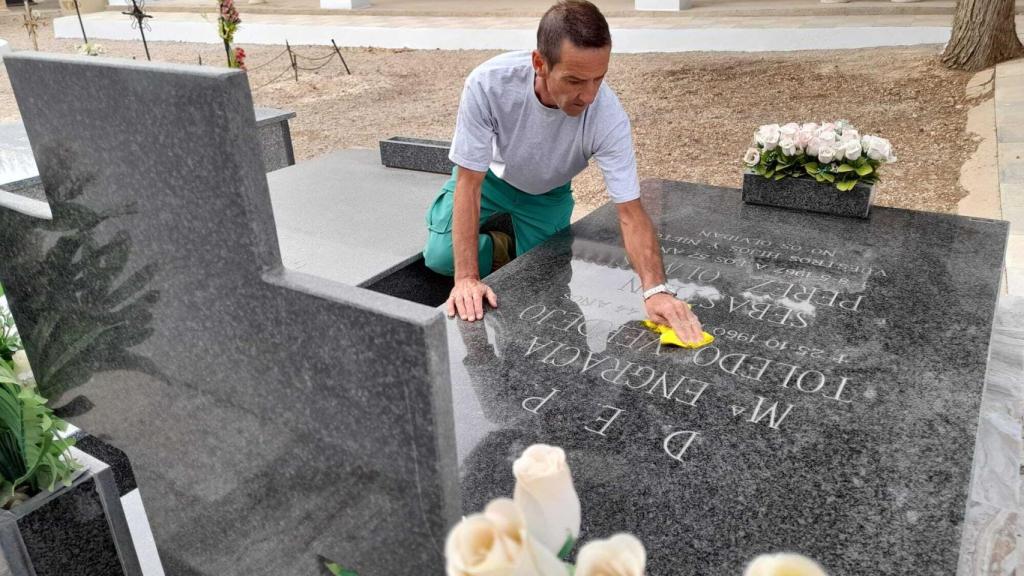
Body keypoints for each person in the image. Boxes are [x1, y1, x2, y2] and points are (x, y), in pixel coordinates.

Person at [422, 0, 704, 344]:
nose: (588, 95)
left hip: (548, 194)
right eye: (574, 80)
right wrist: (466, 278)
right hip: (489, 181)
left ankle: (506, 242)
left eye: (598, 78)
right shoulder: (488, 84)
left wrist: (656, 290)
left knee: (544, 282)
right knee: (440, 258)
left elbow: (630, 213)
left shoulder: (607, 115)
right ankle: (498, 241)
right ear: (539, 63)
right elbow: (469, 182)